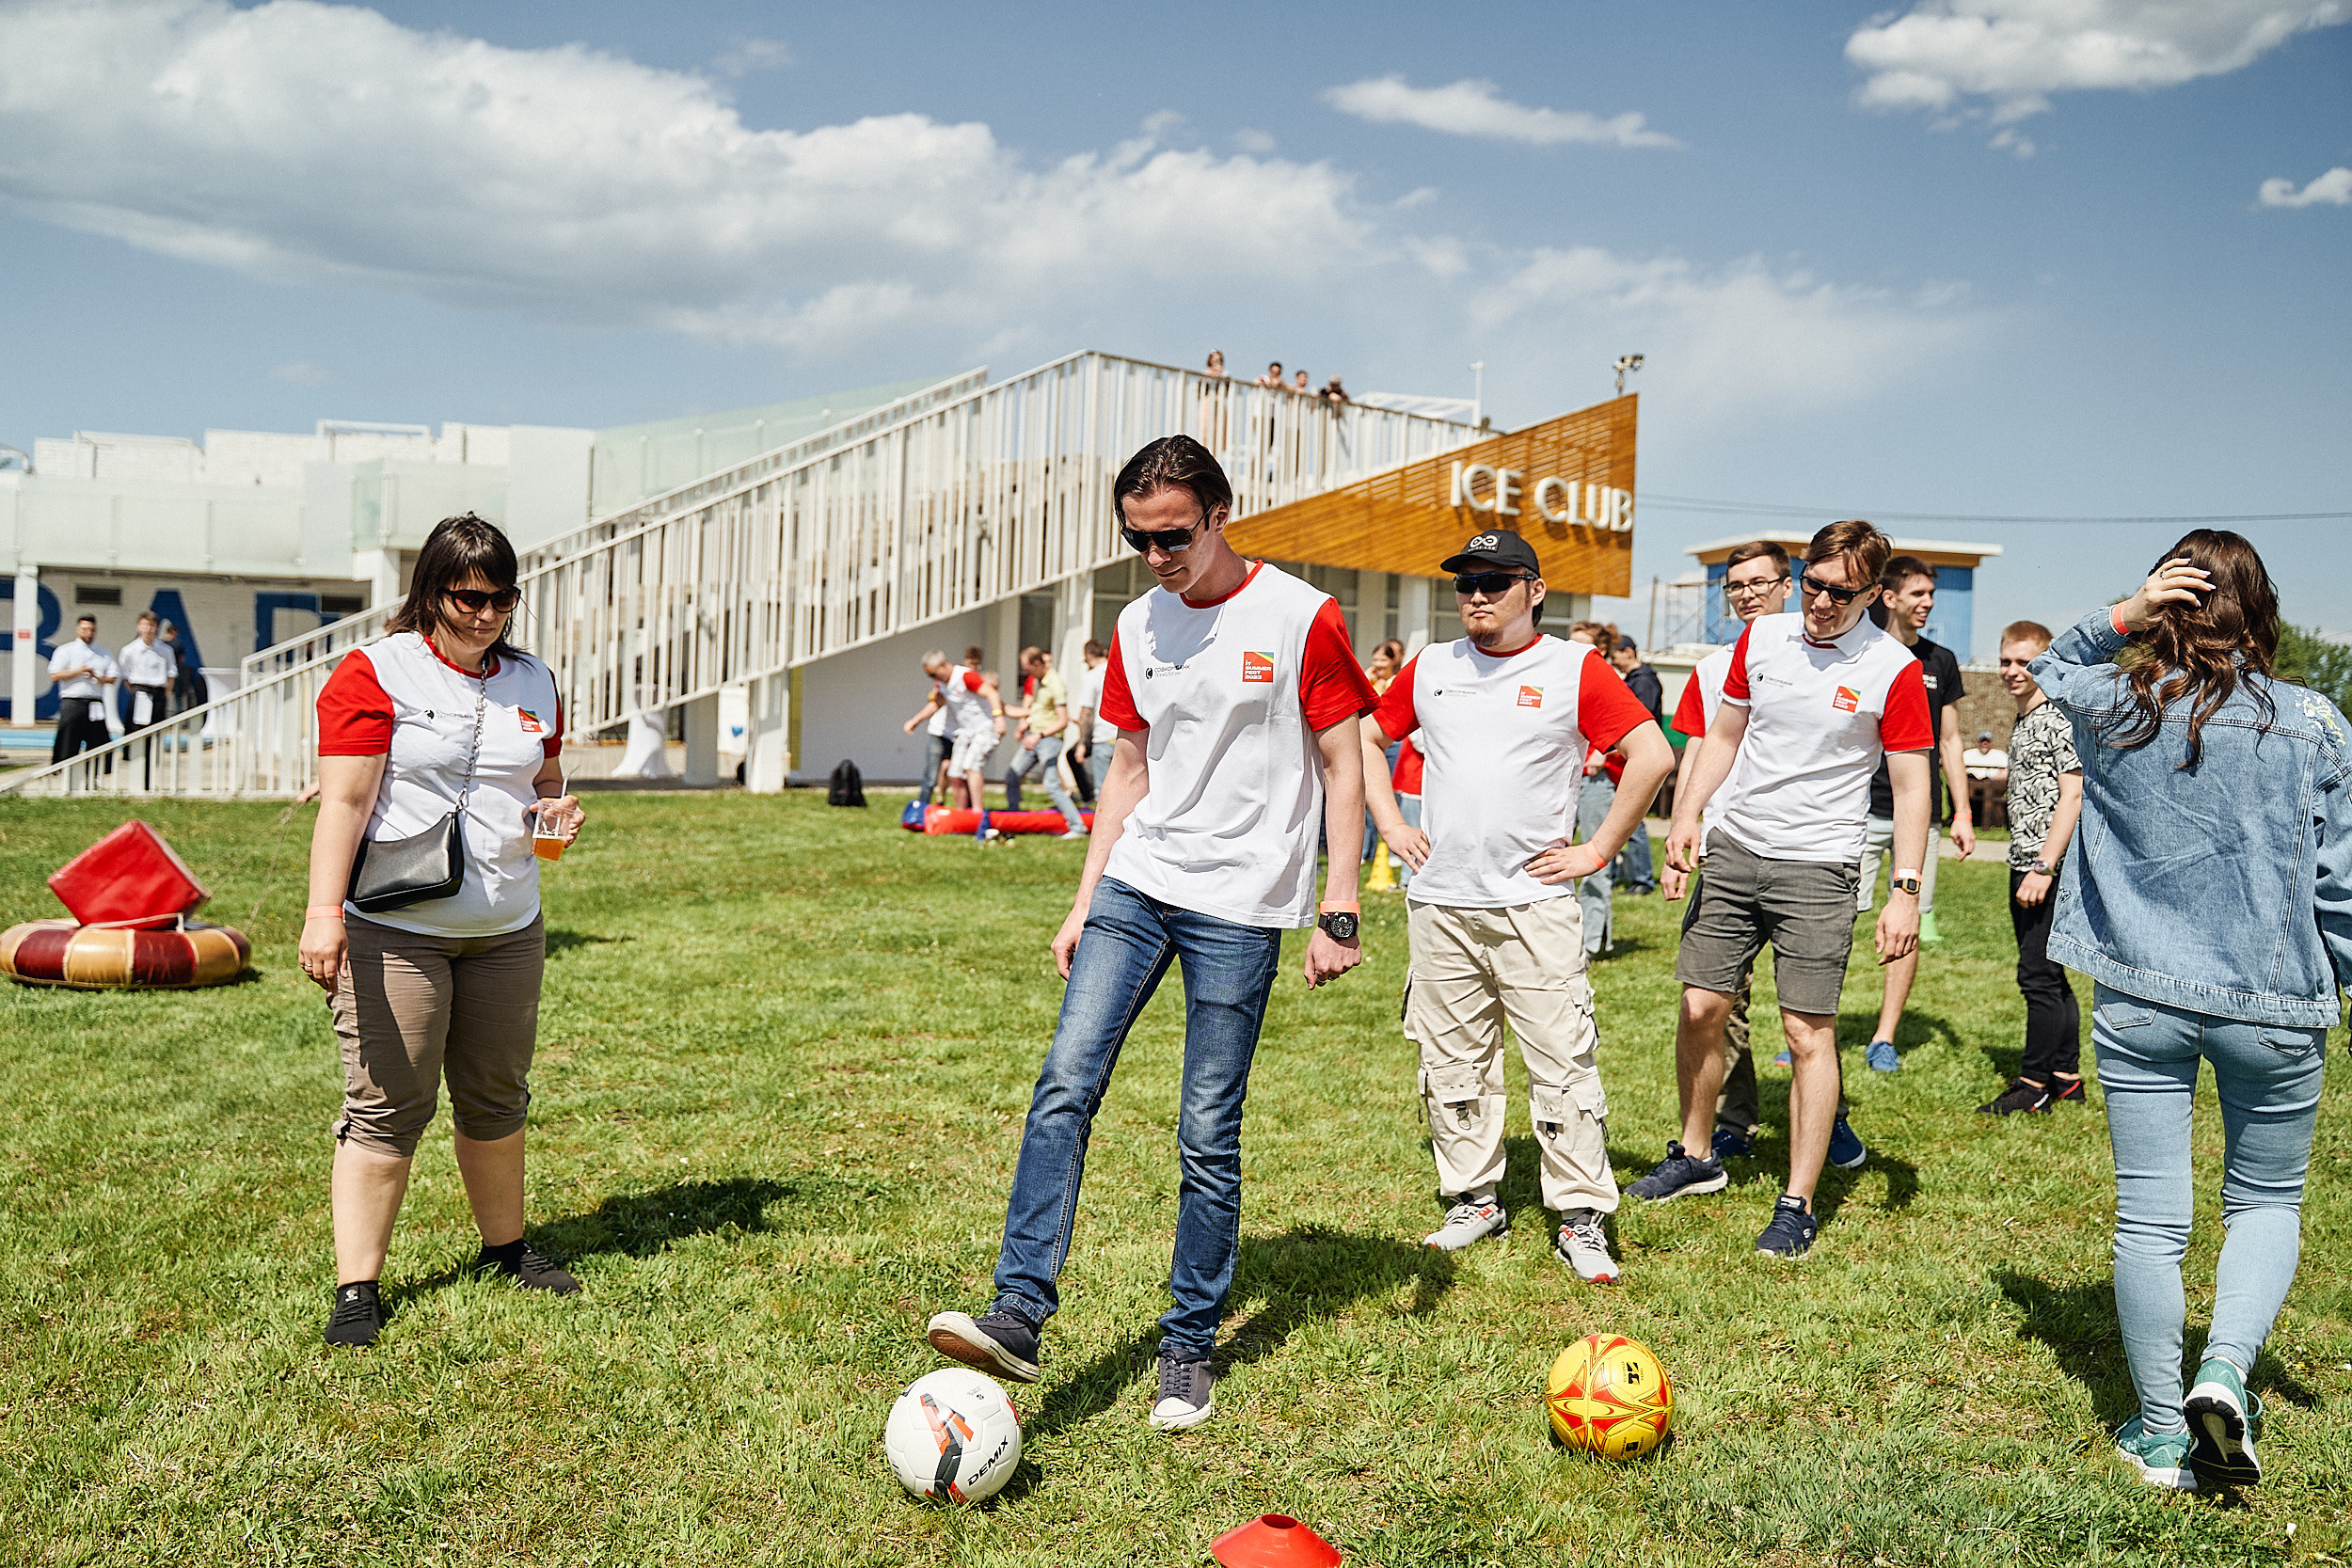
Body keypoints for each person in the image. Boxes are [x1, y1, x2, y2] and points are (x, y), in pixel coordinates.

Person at [923, 435, 1375, 1433]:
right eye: (1137, 538)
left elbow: (1345, 764)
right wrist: (1086, 898)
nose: (1156, 555)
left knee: (1206, 1130)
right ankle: (1020, 1311)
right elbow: (1127, 768)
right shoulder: (1136, 620)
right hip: (1139, 878)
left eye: (1171, 535)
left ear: (1219, 513)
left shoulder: (1303, 616)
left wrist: (1338, 905)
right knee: (1064, 1083)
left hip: (1243, 903)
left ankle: (1185, 1344)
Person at [2030, 532, 2348, 1492]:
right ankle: (2223, 1371)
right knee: (2264, 1200)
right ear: (2264, 611)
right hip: (2274, 1002)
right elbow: (2339, 883)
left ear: (2165, 610)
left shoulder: (2118, 705)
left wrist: (2120, 613)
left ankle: (2162, 1432)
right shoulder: (2317, 723)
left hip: (2140, 996)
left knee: (2151, 1222)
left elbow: (2050, 665)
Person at [298, 514, 587, 1349]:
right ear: (432, 592)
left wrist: (560, 811)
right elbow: (346, 804)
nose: (486, 613)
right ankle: (359, 1287)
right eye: (469, 597)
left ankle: (507, 1249)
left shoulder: (535, 679)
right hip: (398, 929)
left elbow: (547, 777)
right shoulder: (371, 672)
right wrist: (324, 916)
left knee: (498, 1097)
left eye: (502, 597)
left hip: (508, 927)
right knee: (388, 1105)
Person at [1361, 528, 1672, 1280]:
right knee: (1452, 1060)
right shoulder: (1432, 665)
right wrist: (1392, 824)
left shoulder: (1574, 667)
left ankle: (1580, 1215)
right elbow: (1366, 738)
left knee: (1564, 1062)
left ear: (1533, 590)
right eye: (1465, 583)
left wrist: (1595, 852)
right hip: (1439, 903)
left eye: (1495, 582)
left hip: (1532, 906)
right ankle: (1474, 1198)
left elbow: (1654, 756)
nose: (1476, 596)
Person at [1644, 520, 1933, 1259]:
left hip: (1820, 864)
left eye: (1843, 592)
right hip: (1737, 846)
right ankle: (1697, 1154)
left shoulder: (1890, 667)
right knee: (1701, 1003)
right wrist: (1686, 815)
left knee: (1808, 1034)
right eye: (1813, 583)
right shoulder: (1763, 640)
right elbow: (1725, 736)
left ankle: (1797, 1200)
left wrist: (1905, 889)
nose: (1823, 602)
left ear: (1874, 593)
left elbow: (1909, 784)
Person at [1662, 540, 1791, 1160]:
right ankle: (1732, 1123)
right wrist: (1680, 828)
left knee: (1806, 1008)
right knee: (1715, 994)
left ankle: (1832, 1114)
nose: (1746, 593)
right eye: (1735, 585)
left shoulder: (1820, 658)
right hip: (1724, 844)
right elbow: (1694, 749)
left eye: (1758, 582)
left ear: (1787, 586)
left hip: (1799, 850)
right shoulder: (1712, 668)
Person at [1852, 556, 1977, 1073]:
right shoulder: (1860, 652)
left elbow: (1949, 740)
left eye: (1931, 594)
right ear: (1889, 596)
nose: (1927, 603)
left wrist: (1963, 812)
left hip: (1918, 819)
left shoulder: (1940, 662)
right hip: (1855, 810)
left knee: (1908, 922)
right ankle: (1816, 1027)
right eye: (1918, 594)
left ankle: (1884, 1037)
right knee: (1833, 920)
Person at [1979, 620, 2084, 1116]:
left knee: (2037, 976)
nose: (2013, 671)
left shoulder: (2057, 717)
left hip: (2045, 864)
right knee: (2049, 974)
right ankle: (2065, 1076)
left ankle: (2032, 1082)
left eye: (2025, 662)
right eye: (2006, 661)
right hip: (2024, 859)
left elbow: (2074, 794)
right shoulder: (2026, 719)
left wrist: (2045, 865)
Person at [1563, 622, 1618, 958]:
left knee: (1594, 861)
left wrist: (1603, 749)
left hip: (1595, 782)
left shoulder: (1608, 681)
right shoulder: (1561, 677)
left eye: (1581, 645)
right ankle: (1586, 937)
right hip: (1564, 781)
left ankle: (1590, 943)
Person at [1002, 647, 1085, 838]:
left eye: (1028, 668)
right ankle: (1013, 822)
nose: (1026, 673)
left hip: (1048, 740)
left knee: (1051, 783)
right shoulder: (1039, 682)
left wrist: (1038, 735)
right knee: (1012, 777)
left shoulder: (1055, 684)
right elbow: (1038, 711)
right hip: (1034, 737)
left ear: (1037, 664)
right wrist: (1023, 724)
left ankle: (1078, 827)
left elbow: (1062, 721)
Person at [1609, 638, 1664, 895]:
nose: (1612, 661)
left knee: (1633, 820)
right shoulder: (1635, 680)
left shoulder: (1643, 682)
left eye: (1615, 655)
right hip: (1623, 760)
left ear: (1628, 652)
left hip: (1635, 761)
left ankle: (1643, 879)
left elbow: (1639, 720)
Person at [47, 614, 117, 765]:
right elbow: (55, 674)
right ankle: (66, 774)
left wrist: (98, 677)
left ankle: (94, 776)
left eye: (92, 630)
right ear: (78, 629)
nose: (88, 633)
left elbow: (112, 678)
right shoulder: (65, 650)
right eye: (85, 629)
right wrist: (78, 671)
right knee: (68, 741)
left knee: (99, 742)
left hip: (95, 703)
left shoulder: (103, 653)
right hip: (73, 701)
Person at [900, 651, 961, 810]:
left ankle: (962, 811)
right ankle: (921, 808)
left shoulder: (963, 678)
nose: (934, 679)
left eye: (933, 674)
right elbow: (936, 703)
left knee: (956, 773)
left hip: (960, 735)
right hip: (939, 732)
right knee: (931, 776)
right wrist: (915, 720)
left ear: (942, 664)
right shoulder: (941, 684)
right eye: (930, 676)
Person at [118, 610, 178, 735]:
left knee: (156, 731)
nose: (148, 629)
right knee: (134, 729)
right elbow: (125, 677)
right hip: (139, 690)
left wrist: (165, 692)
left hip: (159, 692)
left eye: (151, 625)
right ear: (138, 627)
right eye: (145, 625)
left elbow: (171, 674)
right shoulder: (129, 650)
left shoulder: (166, 650)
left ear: (156, 627)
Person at [1073, 639, 1115, 800]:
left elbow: (1086, 714)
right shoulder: (1120, 670)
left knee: (1103, 793)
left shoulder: (1091, 677)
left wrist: (1082, 743)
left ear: (1088, 655)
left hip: (1103, 736)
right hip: (1124, 735)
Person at [1964, 730, 2010, 828]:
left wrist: (1992, 778)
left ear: (1991, 743)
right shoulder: (1968, 754)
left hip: (1993, 783)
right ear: (1978, 742)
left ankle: (1992, 823)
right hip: (1973, 783)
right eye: (1982, 741)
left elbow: (2006, 772)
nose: (1984, 743)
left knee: (1990, 793)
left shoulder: (2000, 755)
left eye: (1987, 741)